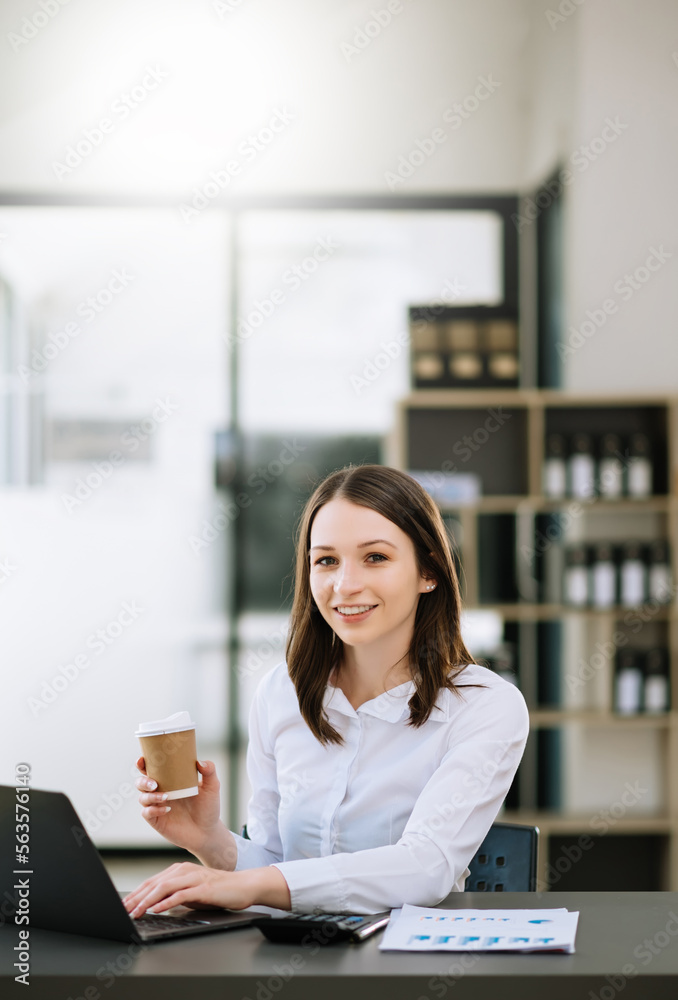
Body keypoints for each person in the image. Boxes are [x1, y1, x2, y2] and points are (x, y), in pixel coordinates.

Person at [123, 464, 529, 918]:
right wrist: (209, 839)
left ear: (428, 571)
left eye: (375, 557)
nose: (345, 585)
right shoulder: (281, 692)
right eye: (326, 560)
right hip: (292, 964)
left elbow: (425, 866)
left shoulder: (485, 705)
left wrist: (250, 883)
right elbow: (279, 873)